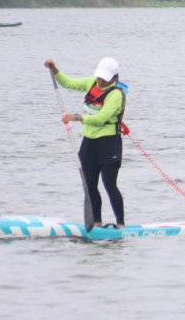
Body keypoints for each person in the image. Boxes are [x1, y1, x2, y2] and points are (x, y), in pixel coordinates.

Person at [44, 56, 126, 228]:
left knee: (110, 185)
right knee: (90, 186)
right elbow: (69, 84)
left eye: (105, 78)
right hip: (89, 143)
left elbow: (102, 117)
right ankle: (96, 224)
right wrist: (55, 70)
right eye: (100, 76)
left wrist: (75, 117)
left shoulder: (116, 94)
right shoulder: (92, 83)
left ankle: (120, 225)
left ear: (114, 77)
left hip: (109, 143)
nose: (101, 80)